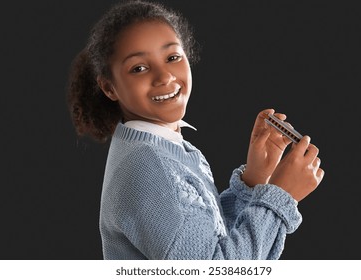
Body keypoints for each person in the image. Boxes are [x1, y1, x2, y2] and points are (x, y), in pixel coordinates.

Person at [67, 0, 324, 260]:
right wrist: (280, 196)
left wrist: (255, 179)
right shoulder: (145, 165)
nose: (164, 76)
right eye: (139, 68)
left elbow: (210, 239)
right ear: (110, 88)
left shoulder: (165, 146)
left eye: (172, 57)